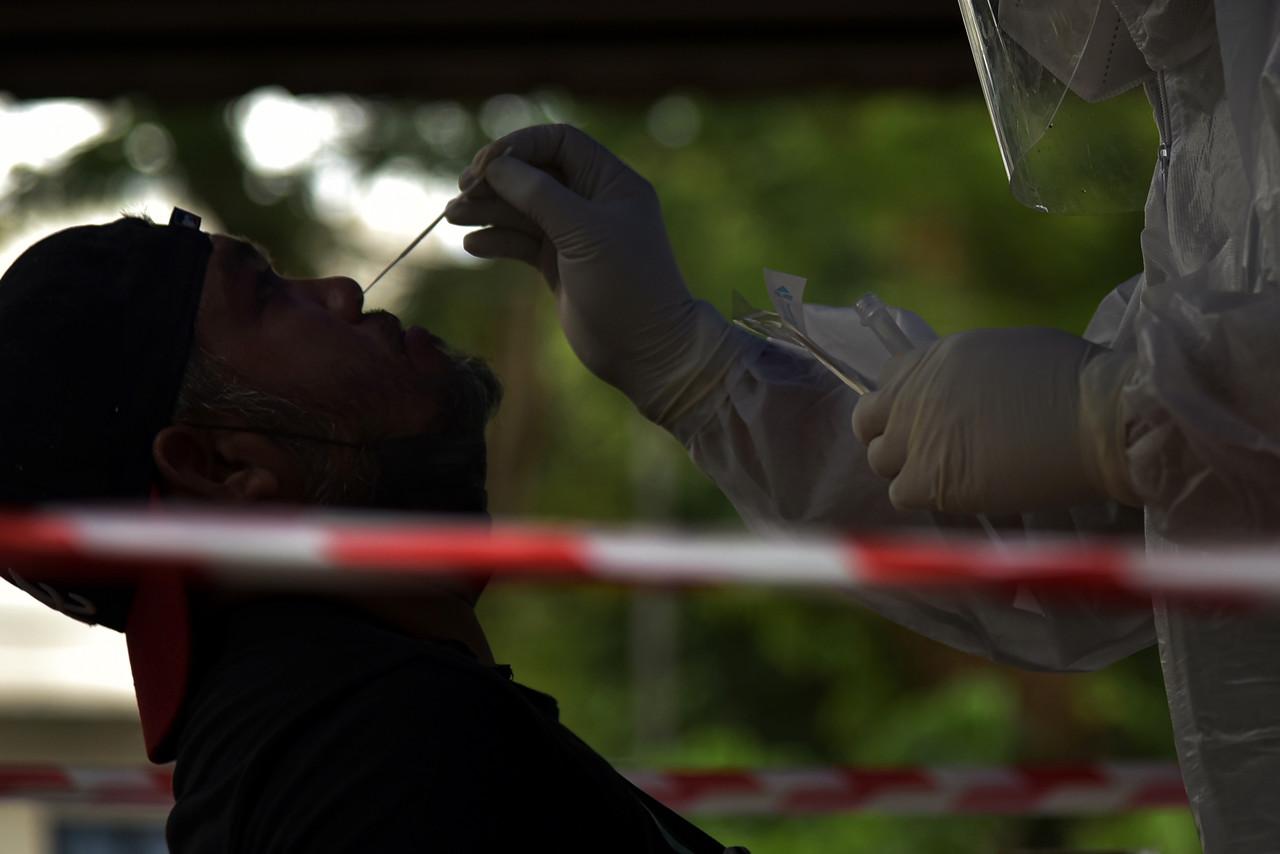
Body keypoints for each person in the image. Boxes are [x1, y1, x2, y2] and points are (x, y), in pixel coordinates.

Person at [444, 4, 1280, 849]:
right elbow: (1103, 536)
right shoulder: (1226, 144)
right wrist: (695, 370)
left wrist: (1122, 413)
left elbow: (1179, 441)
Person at [0, 212, 739, 853]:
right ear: (222, 466)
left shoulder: (307, 736)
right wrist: (700, 371)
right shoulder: (386, 754)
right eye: (266, 295)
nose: (343, 292)